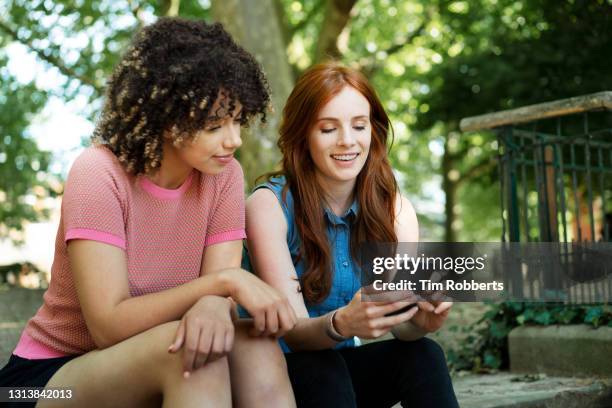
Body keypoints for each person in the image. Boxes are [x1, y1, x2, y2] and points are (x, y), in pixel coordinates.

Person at [0, 18, 297, 408]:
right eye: (214, 125)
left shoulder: (223, 175)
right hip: (43, 382)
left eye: (238, 120)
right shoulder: (98, 173)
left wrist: (216, 296)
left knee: (257, 347)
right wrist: (221, 285)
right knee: (190, 355)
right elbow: (107, 327)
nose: (234, 140)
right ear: (165, 117)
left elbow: (218, 291)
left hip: (148, 355)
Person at [244, 62, 459, 407]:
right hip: (274, 378)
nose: (347, 141)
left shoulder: (397, 212)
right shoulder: (268, 205)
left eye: (359, 126)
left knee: (424, 355)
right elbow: (294, 335)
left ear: (372, 131)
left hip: (341, 378)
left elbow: (401, 327)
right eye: (328, 129)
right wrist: (342, 324)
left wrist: (422, 320)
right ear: (303, 136)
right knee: (321, 365)